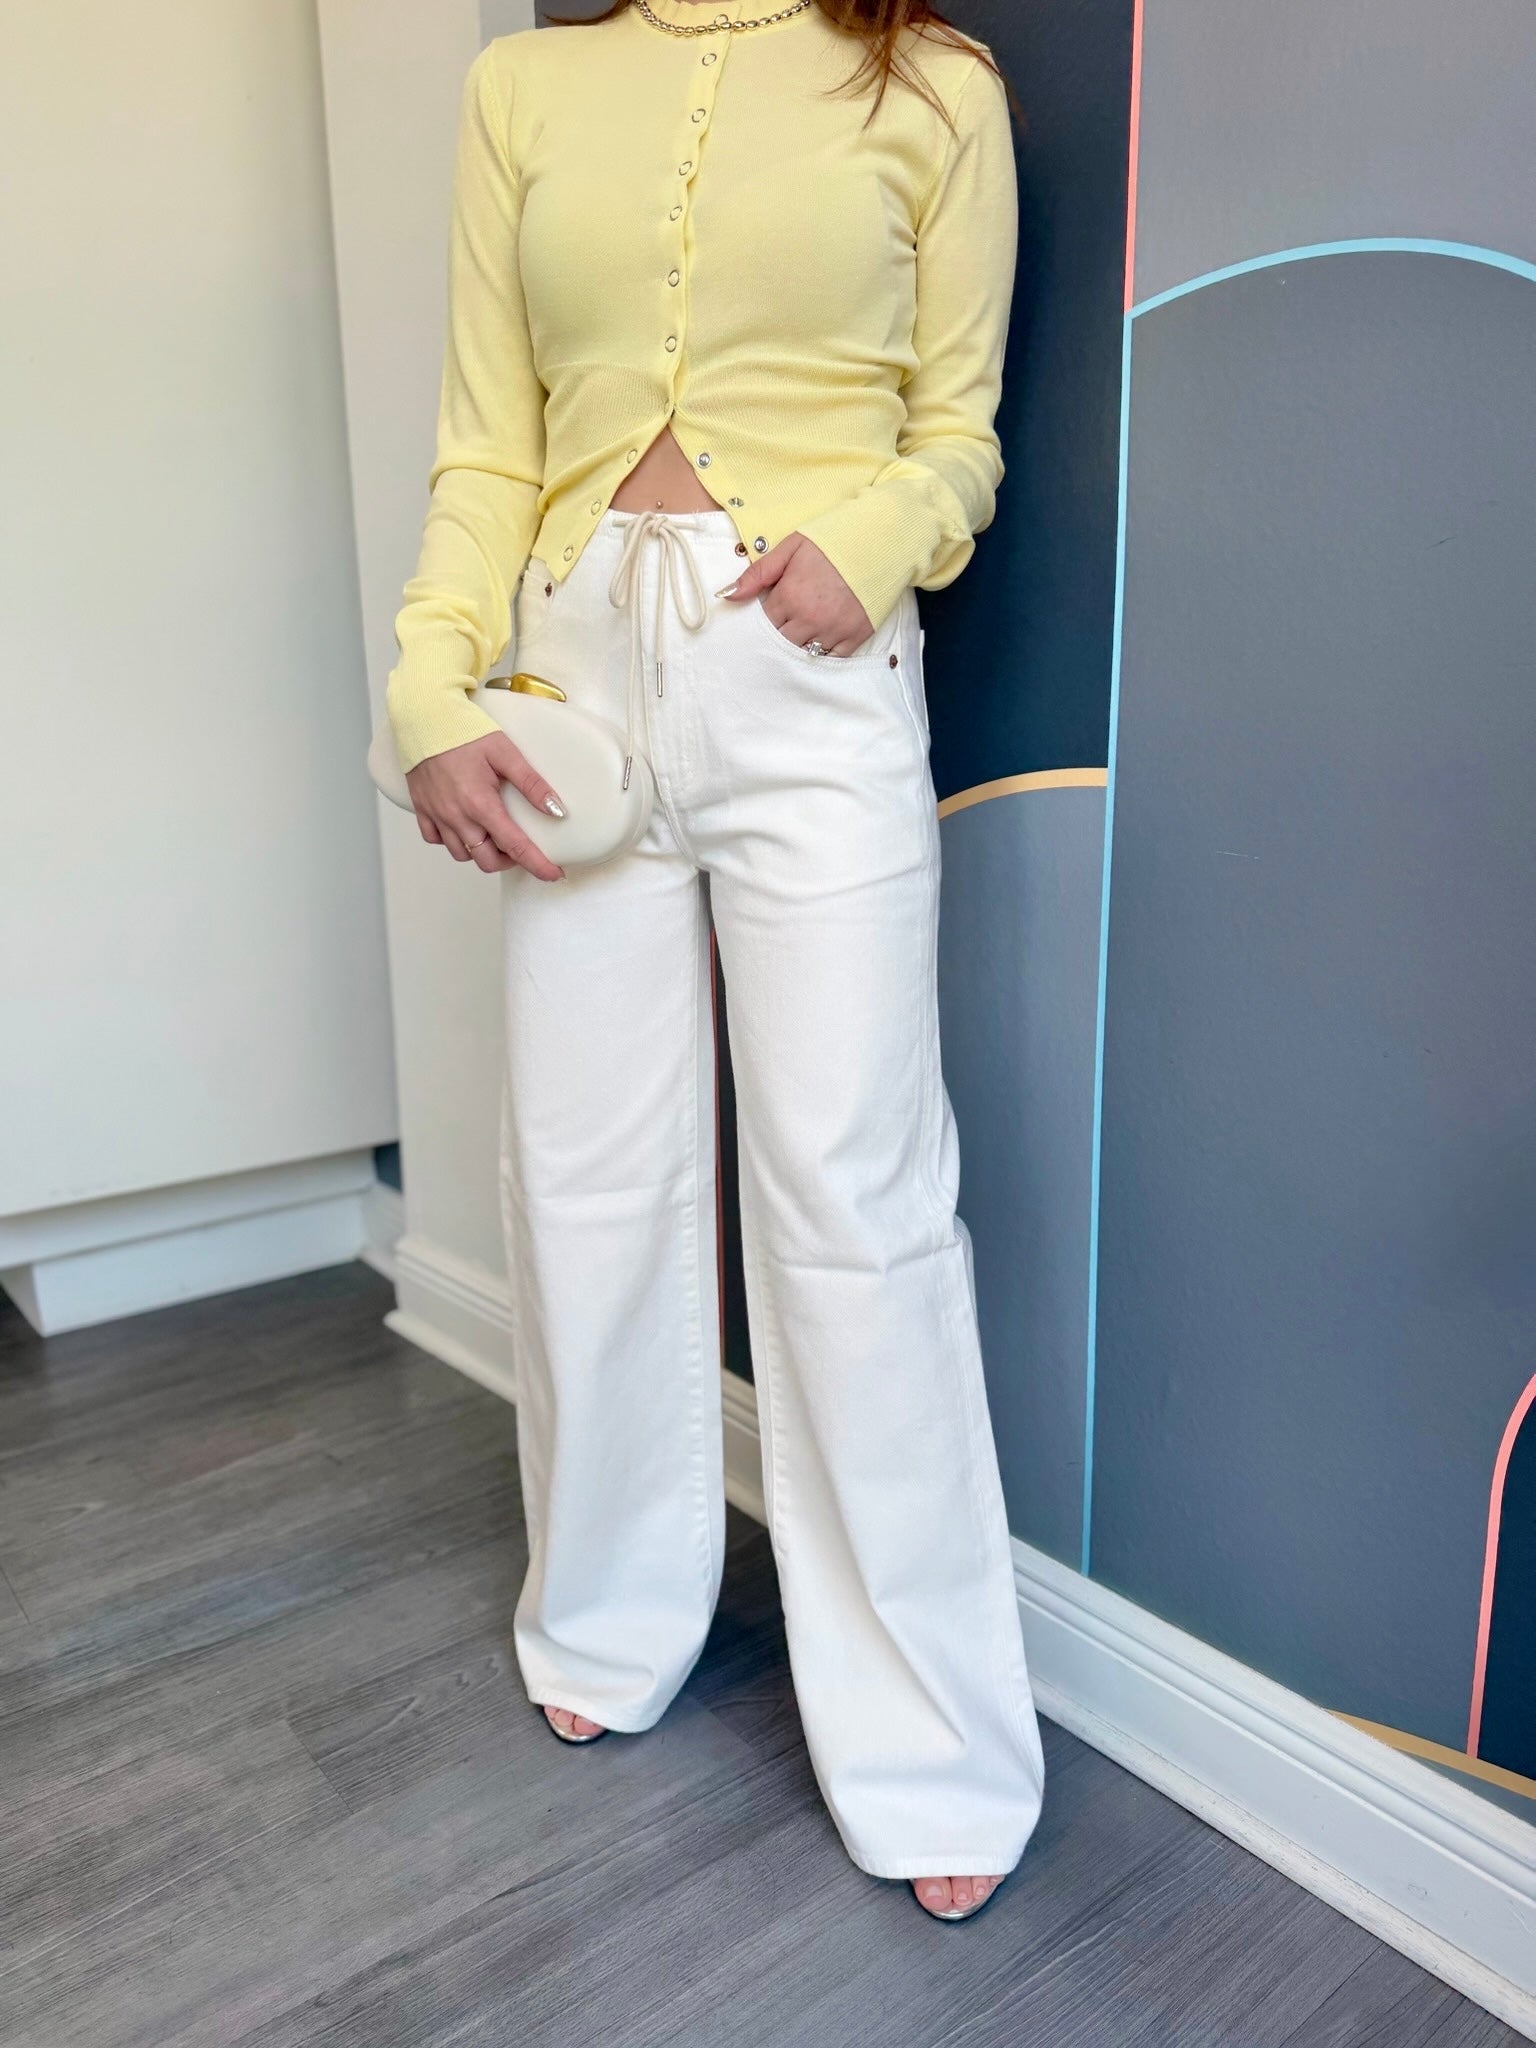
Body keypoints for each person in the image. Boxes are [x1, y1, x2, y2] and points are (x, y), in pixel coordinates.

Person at [386, 0, 1043, 1923]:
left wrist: (877, 537)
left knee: (856, 1197)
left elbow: (960, 434)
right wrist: (430, 690)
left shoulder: (936, 84)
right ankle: (603, 1615)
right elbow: (485, 447)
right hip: (566, 675)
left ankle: (932, 1741)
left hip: (806, 673)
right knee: (587, 1180)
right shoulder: (522, 86)